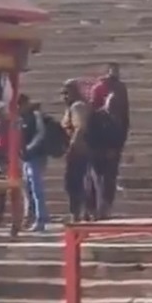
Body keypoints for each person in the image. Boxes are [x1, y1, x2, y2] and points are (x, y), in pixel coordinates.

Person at [88, 62, 130, 219]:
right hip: (98, 147)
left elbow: (124, 119)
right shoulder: (99, 89)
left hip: (112, 145)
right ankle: (95, 208)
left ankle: (104, 207)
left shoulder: (120, 90)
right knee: (96, 179)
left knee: (108, 179)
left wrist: (117, 146)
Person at [59, 81, 92, 223]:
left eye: (67, 93)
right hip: (76, 149)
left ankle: (80, 213)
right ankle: (80, 212)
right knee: (74, 183)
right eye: (63, 93)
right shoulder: (71, 107)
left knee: (74, 182)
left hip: (79, 150)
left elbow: (80, 128)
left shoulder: (78, 106)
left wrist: (72, 147)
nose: (65, 97)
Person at [18, 95, 49, 232]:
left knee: (37, 189)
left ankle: (41, 219)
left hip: (36, 156)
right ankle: (29, 217)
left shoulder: (35, 115)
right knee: (28, 189)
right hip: (25, 158)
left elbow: (40, 134)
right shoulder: (20, 118)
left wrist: (29, 148)